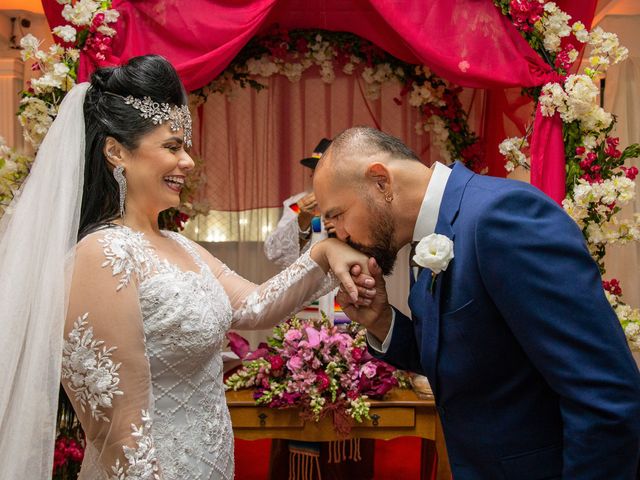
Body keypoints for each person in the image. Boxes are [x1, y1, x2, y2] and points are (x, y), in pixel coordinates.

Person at [0, 56, 377, 480]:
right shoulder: (102, 256)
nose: (188, 163)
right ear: (116, 152)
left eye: (187, 148)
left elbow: (255, 306)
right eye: (172, 147)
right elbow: (123, 439)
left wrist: (324, 252)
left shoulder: (180, 245)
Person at [313, 126, 640, 479]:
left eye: (338, 215)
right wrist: (380, 320)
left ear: (380, 181)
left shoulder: (501, 215)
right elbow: (464, 358)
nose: (340, 234)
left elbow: (604, 395)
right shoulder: (428, 237)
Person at [264, 138, 334, 270]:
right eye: (313, 171)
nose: (312, 176)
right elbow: (274, 251)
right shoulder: (297, 204)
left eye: (320, 171)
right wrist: (302, 218)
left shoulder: (352, 204)